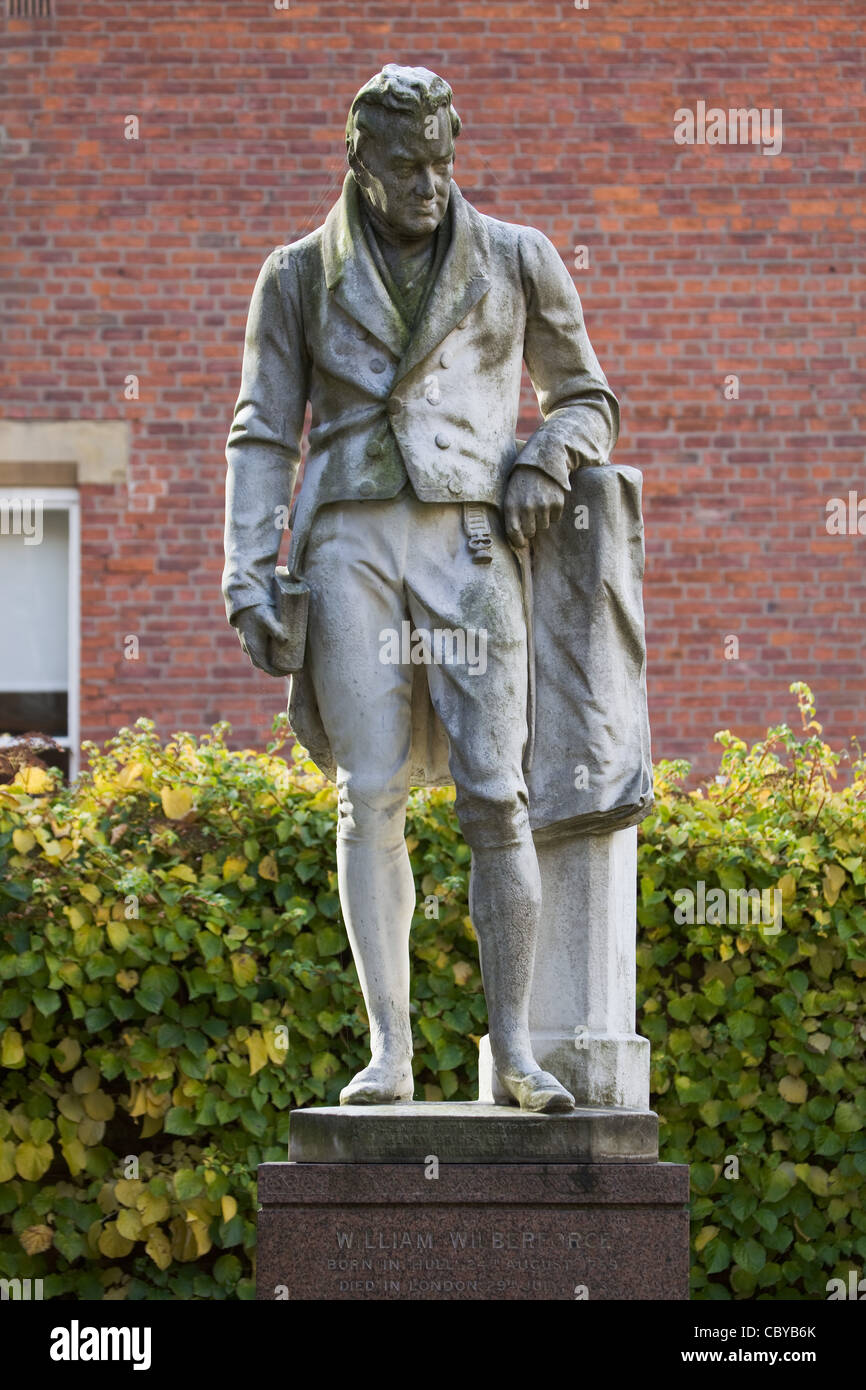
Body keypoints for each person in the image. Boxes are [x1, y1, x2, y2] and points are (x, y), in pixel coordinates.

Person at [223, 65, 619, 1112]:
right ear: (357, 160)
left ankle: (517, 1058)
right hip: (347, 539)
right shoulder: (298, 274)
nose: (429, 184)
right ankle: (388, 1054)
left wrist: (545, 456)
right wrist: (244, 568)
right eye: (405, 165)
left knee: (497, 794)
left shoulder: (517, 257)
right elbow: (263, 430)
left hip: (468, 542)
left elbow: (586, 398)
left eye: (441, 161)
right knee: (369, 795)